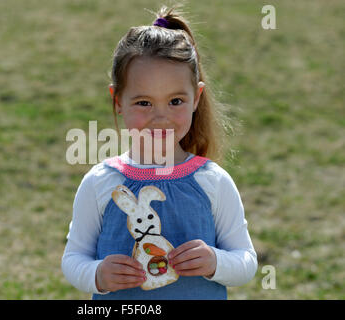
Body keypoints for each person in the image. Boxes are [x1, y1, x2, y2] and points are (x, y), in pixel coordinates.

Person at [61, 4, 257, 300]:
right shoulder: (101, 182)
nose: (161, 117)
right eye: (143, 103)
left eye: (175, 101)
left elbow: (246, 260)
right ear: (117, 101)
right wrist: (98, 275)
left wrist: (215, 262)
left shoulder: (212, 181)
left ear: (196, 98)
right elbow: (74, 258)